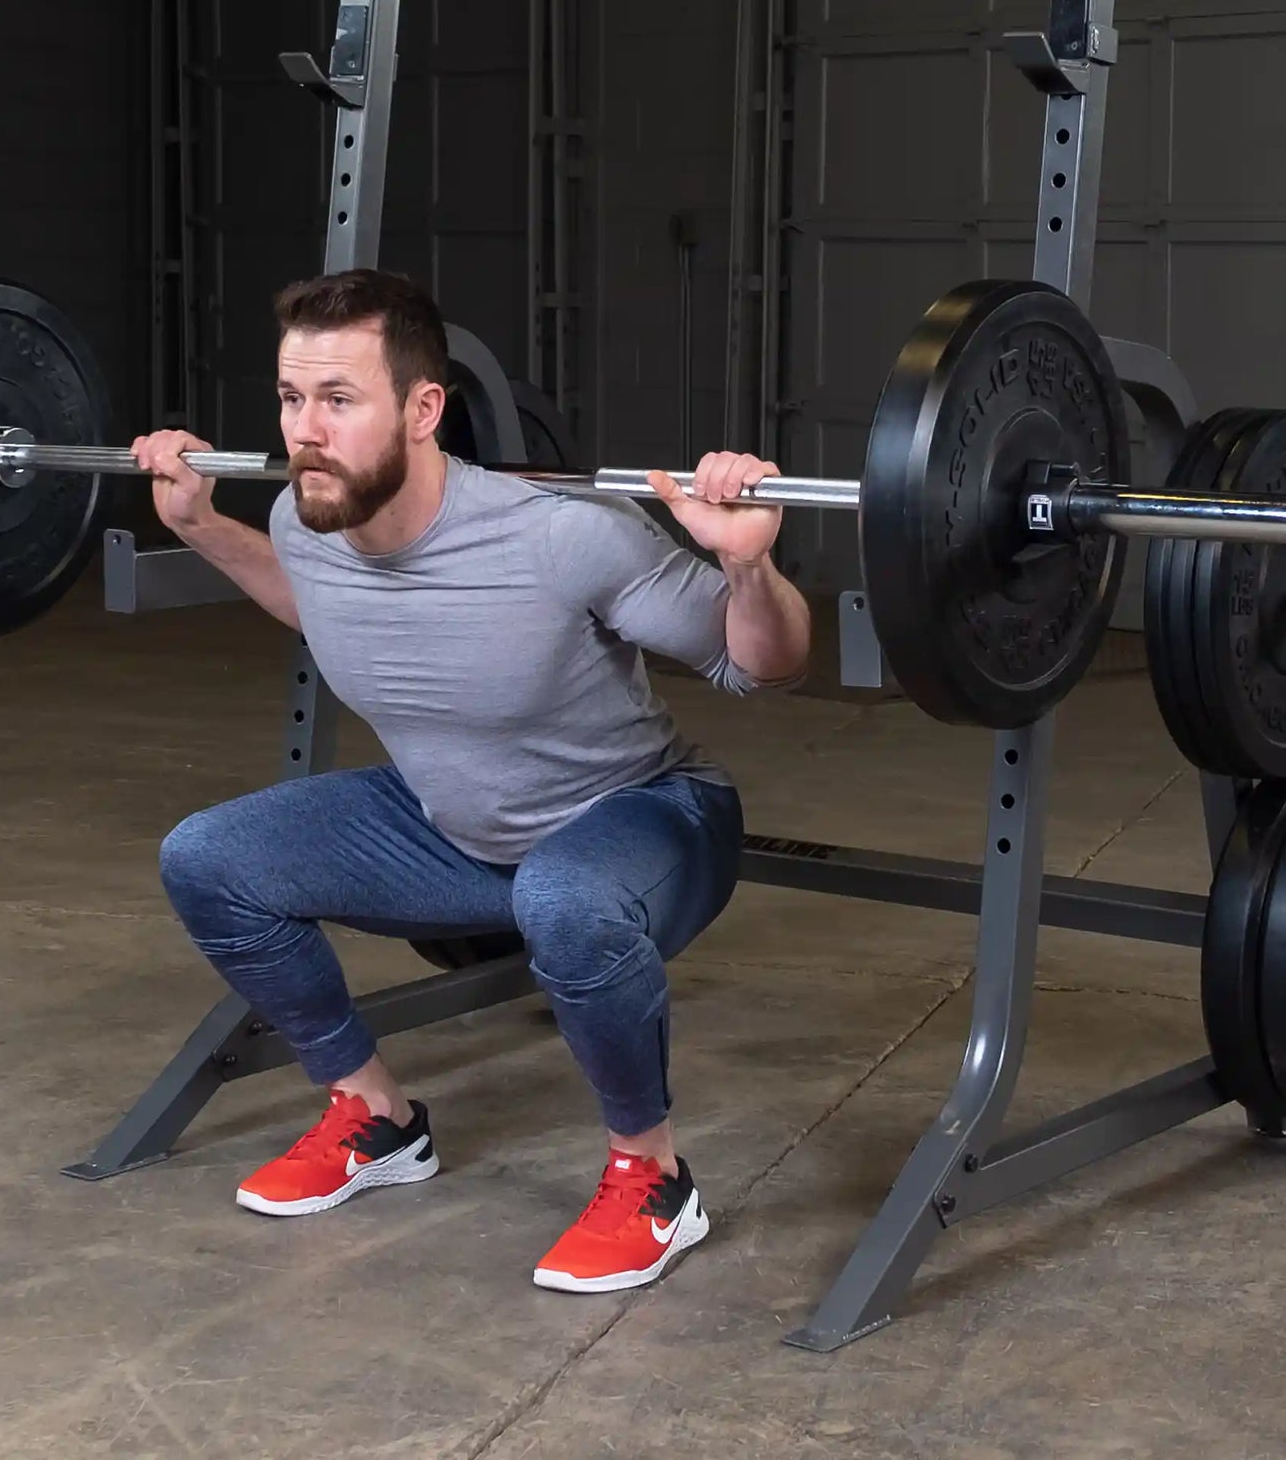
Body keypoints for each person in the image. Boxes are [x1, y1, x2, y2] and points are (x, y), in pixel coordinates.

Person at [139, 268, 810, 1293]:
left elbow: (760, 664)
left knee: (563, 894)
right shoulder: (300, 521)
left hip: (645, 820)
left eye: (337, 399)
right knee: (208, 856)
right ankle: (375, 1115)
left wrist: (746, 569)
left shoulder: (559, 533)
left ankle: (653, 1175)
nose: (303, 430)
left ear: (421, 409)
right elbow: (314, 604)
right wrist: (199, 525)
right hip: (453, 827)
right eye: (288, 398)